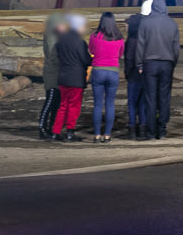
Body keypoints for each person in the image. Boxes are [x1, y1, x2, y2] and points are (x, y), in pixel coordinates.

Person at [135, 0, 180, 140]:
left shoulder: (145, 23)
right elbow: (176, 47)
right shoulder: (172, 24)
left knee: (150, 99)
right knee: (164, 98)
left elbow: (140, 45)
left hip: (149, 64)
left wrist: (139, 64)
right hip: (167, 64)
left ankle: (150, 132)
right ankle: (162, 129)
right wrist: (173, 63)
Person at [51, 14, 92, 142]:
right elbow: (85, 60)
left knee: (62, 105)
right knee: (74, 106)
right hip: (76, 79)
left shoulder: (60, 41)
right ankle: (70, 132)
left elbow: (58, 58)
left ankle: (55, 132)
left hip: (63, 78)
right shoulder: (80, 42)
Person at [89, 12, 125, 143]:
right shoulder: (119, 38)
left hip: (98, 71)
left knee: (98, 104)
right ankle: (107, 135)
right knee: (110, 104)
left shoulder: (94, 36)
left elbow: (91, 51)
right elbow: (121, 54)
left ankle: (97, 135)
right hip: (113, 72)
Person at [124, 0, 152, 140]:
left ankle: (132, 129)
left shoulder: (131, 40)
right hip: (146, 73)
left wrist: (127, 72)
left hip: (134, 74)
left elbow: (129, 58)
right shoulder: (147, 37)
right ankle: (142, 127)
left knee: (131, 102)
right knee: (142, 102)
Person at [38, 12, 68, 140]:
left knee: (57, 102)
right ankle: (42, 128)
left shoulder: (58, 35)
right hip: (52, 72)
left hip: (59, 72)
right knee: (50, 101)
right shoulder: (52, 36)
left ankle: (52, 128)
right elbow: (52, 54)